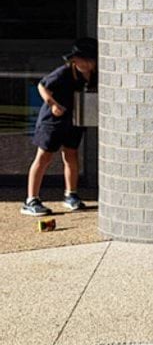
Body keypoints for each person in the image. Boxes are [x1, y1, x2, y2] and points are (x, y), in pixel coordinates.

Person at [20, 37, 97, 218]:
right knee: (44, 156)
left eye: (88, 60)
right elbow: (42, 85)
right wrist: (52, 103)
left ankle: (71, 194)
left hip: (74, 119)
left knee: (71, 154)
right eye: (79, 59)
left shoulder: (94, 75)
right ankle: (31, 199)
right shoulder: (64, 73)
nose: (83, 63)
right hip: (52, 121)